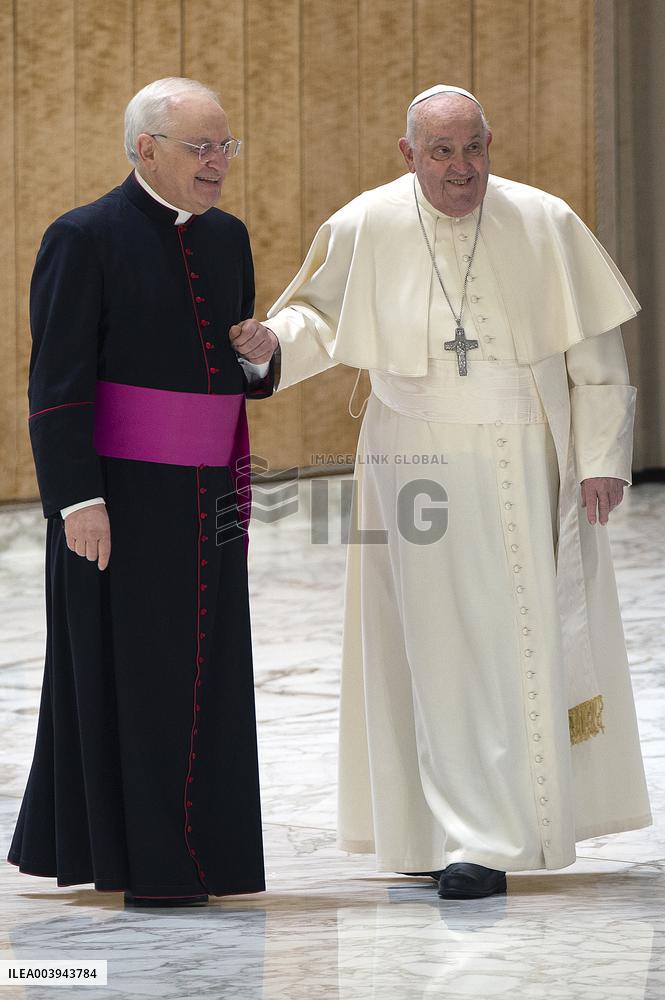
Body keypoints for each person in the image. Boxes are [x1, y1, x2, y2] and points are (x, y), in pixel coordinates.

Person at [230, 84, 652, 900]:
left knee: (507, 642)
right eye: (442, 152)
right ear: (408, 154)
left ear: (490, 145)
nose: (462, 169)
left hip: (523, 457)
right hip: (409, 459)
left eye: (473, 149)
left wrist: (600, 456)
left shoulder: (543, 220)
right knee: (421, 643)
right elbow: (317, 318)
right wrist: (268, 343)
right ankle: (433, 831)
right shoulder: (367, 222)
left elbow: (596, 352)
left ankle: (492, 836)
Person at [9, 77, 275, 907]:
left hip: (210, 495)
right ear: (146, 149)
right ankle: (149, 865)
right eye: (201, 147)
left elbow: (230, 371)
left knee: (209, 674)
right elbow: (55, 384)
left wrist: (259, 359)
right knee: (133, 678)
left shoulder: (228, 238)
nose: (218, 162)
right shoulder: (81, 237)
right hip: (118, 502)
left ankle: (210, 856)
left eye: (225, 145)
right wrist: (75, 501)